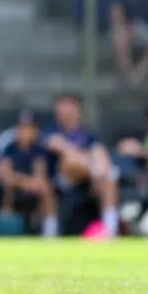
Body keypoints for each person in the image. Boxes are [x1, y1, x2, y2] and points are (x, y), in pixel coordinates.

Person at [43, 96, 120, 237]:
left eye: (68, 106)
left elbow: (100, 154)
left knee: (109, 179)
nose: (65, 110)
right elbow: (57, 145)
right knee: (71, 160)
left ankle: (111, 232)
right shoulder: (51, 130)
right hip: (62, 181)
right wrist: (87, 159)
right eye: (61, 106)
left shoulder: (89, 134)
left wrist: (97, 170)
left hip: (89, 181)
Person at [0, 110, 59, 237]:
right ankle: (5, 225)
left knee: (45, 187)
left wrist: (26, 181)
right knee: (7, 186)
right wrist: (23, 181)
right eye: (22, 128)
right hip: (15, 189)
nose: (25, 132)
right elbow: (5, 173)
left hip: (34, 189)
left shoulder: (39, 151)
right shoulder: (9, 149)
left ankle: (50, 231)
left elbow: (39, 176)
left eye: (29, 128)